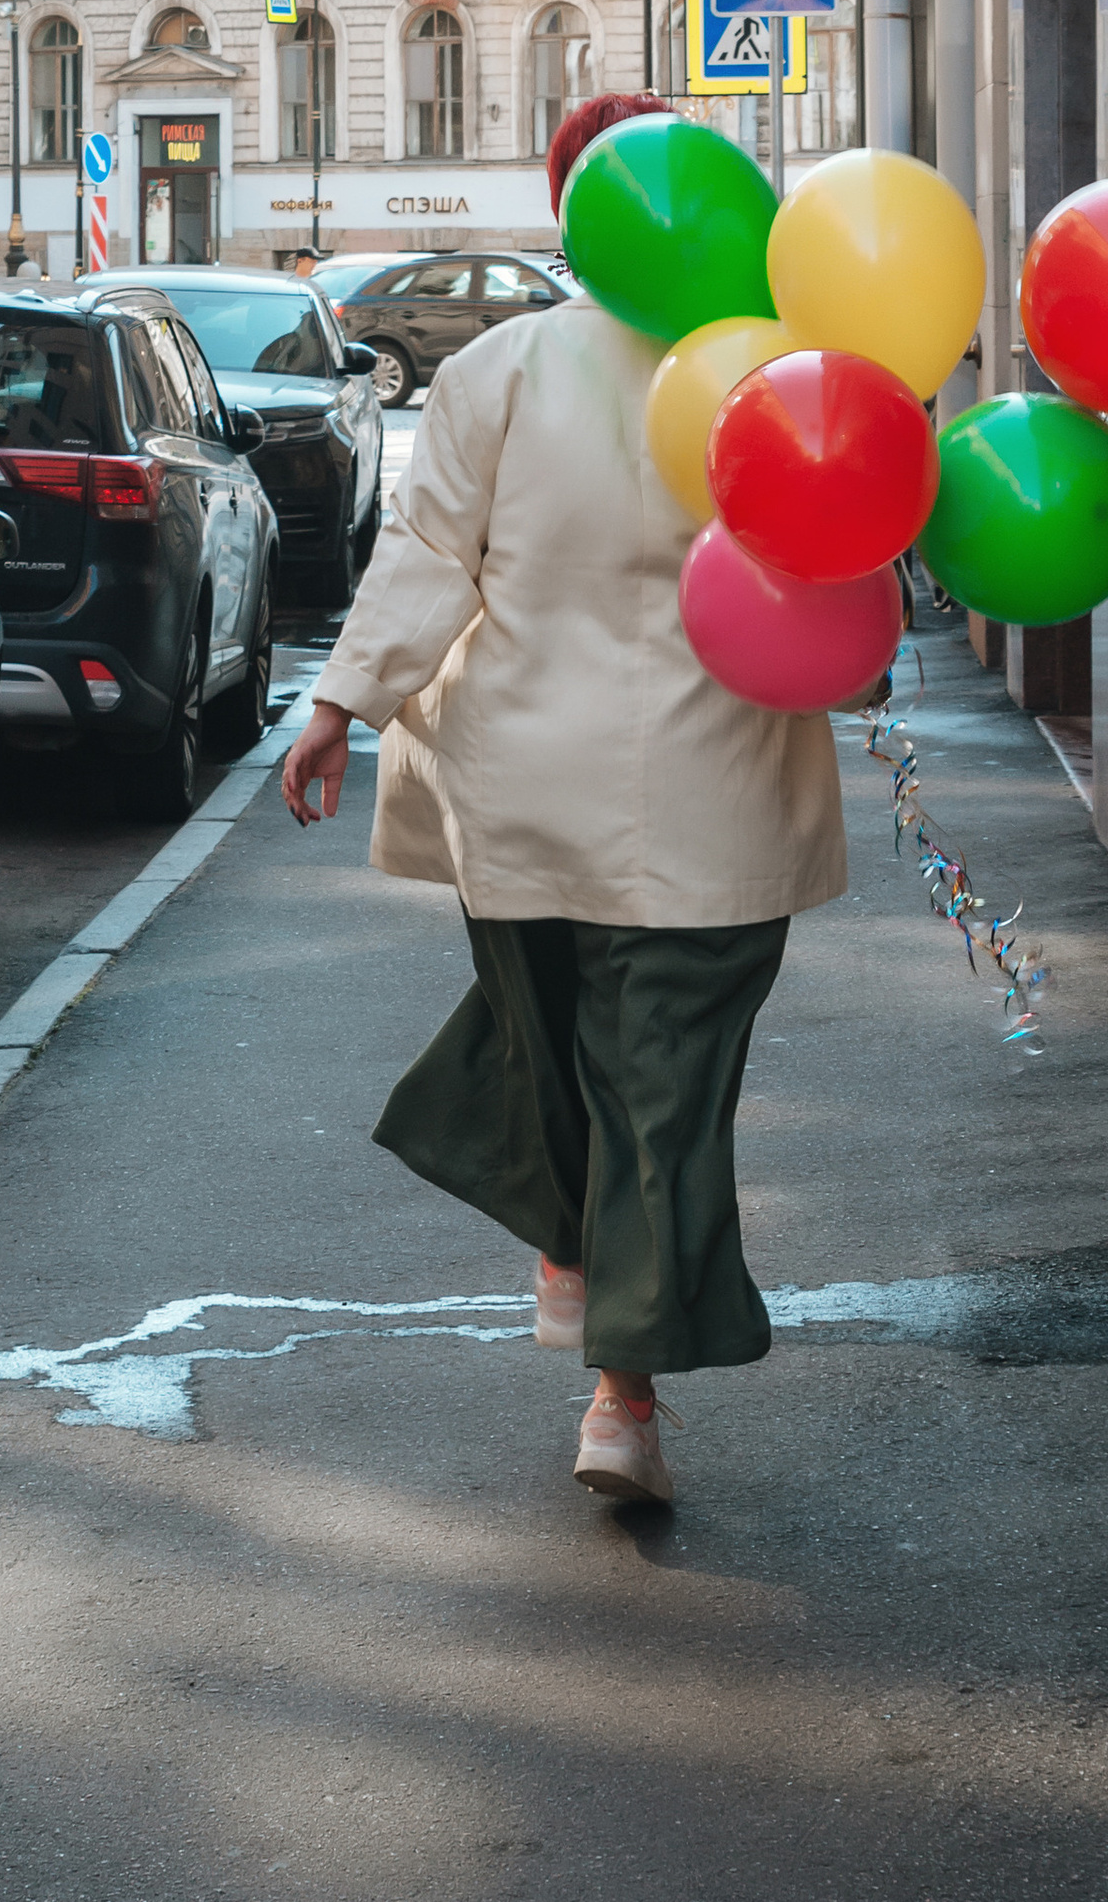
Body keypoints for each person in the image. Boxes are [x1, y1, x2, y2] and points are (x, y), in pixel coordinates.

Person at [281, 94, 847, 1511]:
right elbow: (848, 557)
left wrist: (340, 704)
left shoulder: (502, 371)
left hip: (522, 800)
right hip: (720, 799)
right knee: (662, 1094)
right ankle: (621, 1394)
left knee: (552, 1054)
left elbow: (429, 556)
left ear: (569, 217)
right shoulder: (778, 378)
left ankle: (572, 1261)